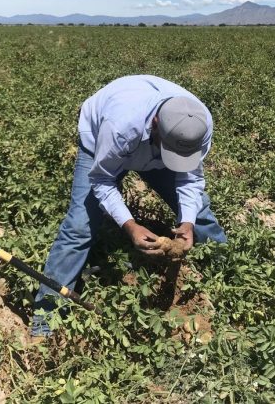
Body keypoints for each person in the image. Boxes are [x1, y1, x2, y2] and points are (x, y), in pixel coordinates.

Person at [31, 75, 227, 337]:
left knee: (199, 213)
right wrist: (130, 225)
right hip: (103, 143)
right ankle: (46, 324)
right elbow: (102, 179)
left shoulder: (199, 124)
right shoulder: (121, 125)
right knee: (80, 226)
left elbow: (190, 178)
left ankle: (226, 279)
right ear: (156, 124)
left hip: (150, 145)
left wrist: (187, 223)